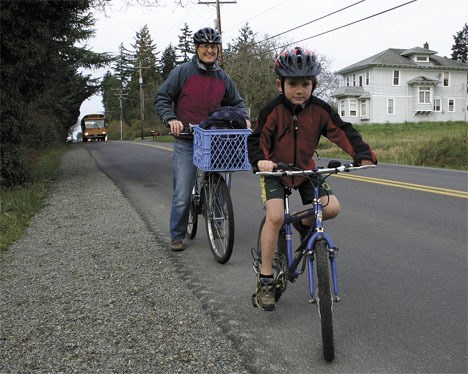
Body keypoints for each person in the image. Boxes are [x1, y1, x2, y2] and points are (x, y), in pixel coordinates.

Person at [247, 47, 377, 311]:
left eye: (305, 84)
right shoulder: (272, 110)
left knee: (331, 207)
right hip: (275, 171)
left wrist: (362, 154)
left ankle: (304, 223)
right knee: (275, 217)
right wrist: (261, 159)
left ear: (314, 84)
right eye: (292, 83)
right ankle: (266, 278)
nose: (299, 90)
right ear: (279, 83)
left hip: (306, 170)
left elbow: (342, 131)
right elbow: (256, 139)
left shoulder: (320, 110)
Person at [155, 27, 250, 252]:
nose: (209, 50)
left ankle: (216, 225)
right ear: (197, 49)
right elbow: (162, 97)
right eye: (205, 46)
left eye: (213, 47)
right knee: (182, 193)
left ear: (217, 50)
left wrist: (244, 118)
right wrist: (171, 119)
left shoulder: (222, 77)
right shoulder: (183, 72)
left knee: (219, 187)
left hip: (214, 140)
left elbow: (236, 102)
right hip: (187, 138)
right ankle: (177, 234)